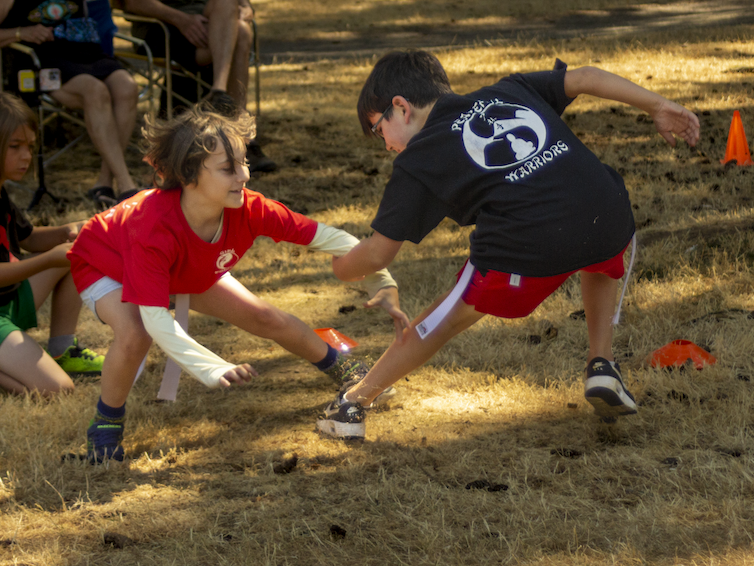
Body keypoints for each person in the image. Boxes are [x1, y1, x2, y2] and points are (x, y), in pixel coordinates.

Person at [315, 51, 701, 439]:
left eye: (378, 130)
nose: (384, 145)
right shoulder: (509, 90)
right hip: (609, 214)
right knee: (595, 247)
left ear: (400, 108)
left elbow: (379, 253)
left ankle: (354, 403)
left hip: (530, 241)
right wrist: (659, 105)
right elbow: (584, 77)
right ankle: (602, 363)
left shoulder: (418, 159)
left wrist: (341, 266)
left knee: (441, 318)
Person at [67, 107, 409, 463]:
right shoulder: (151, 227)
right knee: (135, 334)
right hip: (106, 264)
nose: (244, 175)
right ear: (188, 175)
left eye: (244, 163)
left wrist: (381, 280)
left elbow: (326, 238)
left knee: (266, 317)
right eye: (228, 168)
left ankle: (343, 368)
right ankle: (106, 425)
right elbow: (155, 318)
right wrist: (211, 368)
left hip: (182, 268)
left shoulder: (249, 209)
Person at [0, 93, 104, 395]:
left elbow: (29, 237)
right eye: (15, 147)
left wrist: (67, 232)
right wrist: (48, 259)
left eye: (30, 147)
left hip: (11, 301)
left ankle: (62, 349)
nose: (26, 156)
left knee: (79, 251)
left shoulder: (2, 191)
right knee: (57, 389)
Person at [0, 0, 141, 206]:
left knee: (127, 87)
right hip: (44, 59)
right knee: (95, 91)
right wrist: (21, 32)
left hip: (86, 53)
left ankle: (104, 182)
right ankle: (126, 185)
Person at [124, 0, 276, 172]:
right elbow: (134, 3)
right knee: (239, 33)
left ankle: (221, 98)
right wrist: (183, 20)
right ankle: (239, 134)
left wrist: (246, 7)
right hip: (162, 26)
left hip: (212, 23)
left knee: (238, 25)